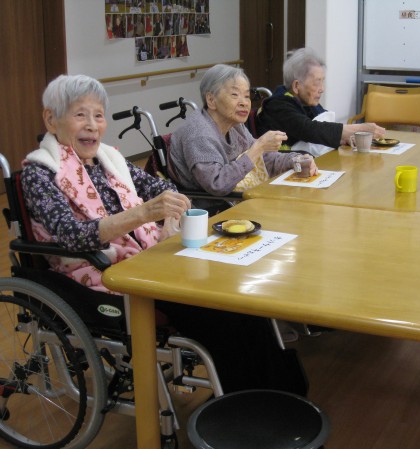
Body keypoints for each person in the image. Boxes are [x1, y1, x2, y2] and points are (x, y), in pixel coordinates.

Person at [20, 74, 308, 396]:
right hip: (102, 272)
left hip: (150, 256)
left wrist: (169, 219)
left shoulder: (109, 159)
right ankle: (247, 402)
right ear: (51, 119)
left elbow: (162, 187)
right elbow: (72, 235)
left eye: (98, 115)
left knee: (239, 301)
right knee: (219, 316)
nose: (92, 125)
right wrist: (144, 214)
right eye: (80, 115)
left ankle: (280, 396)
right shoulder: (40, 173)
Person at [168, 64, 317, 211]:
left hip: (238, 199)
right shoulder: (198, 134)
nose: (244, 103)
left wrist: (295, 161)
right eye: (235, 95)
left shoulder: (235, 126)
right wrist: (258, 147)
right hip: (212, 209)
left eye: (246, 96)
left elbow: (263, 159)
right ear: (211, 100)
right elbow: (217, 184)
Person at [255, 47, 385, 157]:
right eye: (317, 82)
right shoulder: (278, 105)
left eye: (323, 81)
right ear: (296, 86)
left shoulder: (306, 103)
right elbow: (310, 129)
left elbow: (325, 129)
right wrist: (359, 129)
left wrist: (346, 138)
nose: (322, 89)